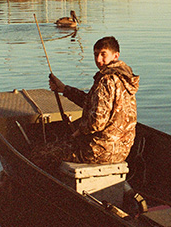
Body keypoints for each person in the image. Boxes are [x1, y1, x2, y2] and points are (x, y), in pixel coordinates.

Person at [47, 36, 139, 164]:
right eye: (96, 54)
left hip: (99, 151)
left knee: (43, 153)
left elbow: (97, 122)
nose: (98, 59)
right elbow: (91, 103)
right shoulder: (126, 79)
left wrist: (78, 132)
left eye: (103, 54)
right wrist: (64, 89)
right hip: (122, 151)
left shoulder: (106, 80)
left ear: (115, 56)